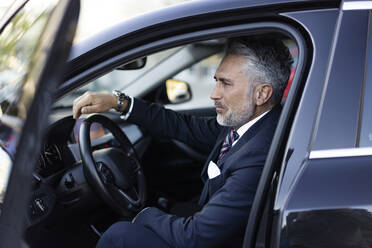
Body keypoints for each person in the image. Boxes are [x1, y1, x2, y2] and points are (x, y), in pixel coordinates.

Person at [72, 36, 293, 248]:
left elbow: (195, 238)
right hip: (214, 225)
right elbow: (181, 126)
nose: (214, 94)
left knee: (119, 236)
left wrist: (144, 214)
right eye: (216, 81)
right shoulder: (246, 124)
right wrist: (118, 102)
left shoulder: (260, 153)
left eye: (226, 84)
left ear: (261, 94)